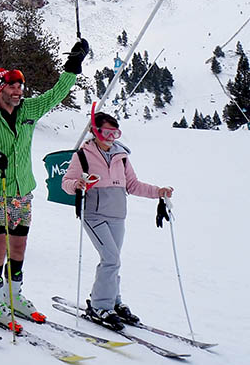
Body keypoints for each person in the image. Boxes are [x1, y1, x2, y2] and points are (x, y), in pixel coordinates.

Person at [0, 39, 89, 322]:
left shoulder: (28, 110)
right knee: (0, 245)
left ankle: (13, 294)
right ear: (0, 88)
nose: (17, 91)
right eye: (12, 86)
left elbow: (56, 94)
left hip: (22, 190)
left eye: (20, 86)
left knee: (19, 246)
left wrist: (72, 66)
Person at [61, 112, 172, 331]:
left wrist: (158, 191)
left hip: (117, 215)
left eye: (116, 132)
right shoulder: (82, 155)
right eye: (106, 132)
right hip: (94, 215)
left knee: (114, 259)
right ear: (95, 130)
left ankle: (113, 300)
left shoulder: (122, 156)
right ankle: (100, 306)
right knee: (110, 259)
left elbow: (133, 185)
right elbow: (66, 182)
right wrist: (77, 185)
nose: (111, 137)